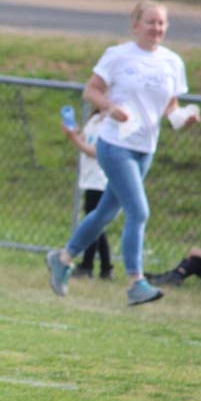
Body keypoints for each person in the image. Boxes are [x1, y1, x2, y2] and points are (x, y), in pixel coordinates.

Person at [45, 0, 200, 306]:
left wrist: (184, 118)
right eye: (150, 22)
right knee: (138, 211)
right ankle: (135, 282)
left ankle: (62, 258)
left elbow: (171, 109)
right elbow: (90, 91)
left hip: (145, 148)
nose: (156, 28)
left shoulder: (172, 62)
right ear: (136, 25)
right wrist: (110, 107)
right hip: (115, 144)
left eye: (161, 23)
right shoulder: (118, 56)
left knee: (105, 213)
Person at [62, 109, 113, 280]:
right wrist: (74, 132)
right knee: (96, 223)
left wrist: (74, 139)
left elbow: (97, 152)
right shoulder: (95, 119)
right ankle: (106, 268)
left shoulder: (110, 122)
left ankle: (87, 266)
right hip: (89, 179)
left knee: (93, 224)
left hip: (100, 180)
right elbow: (85, 139)